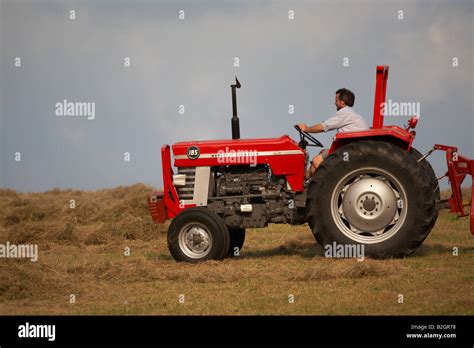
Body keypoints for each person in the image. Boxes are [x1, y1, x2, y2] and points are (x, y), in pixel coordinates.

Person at [298, 88, 369, 179]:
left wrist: (307, 129)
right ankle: (304, 182)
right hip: (351, 149)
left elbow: (323, 127)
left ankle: (317, 186)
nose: (334, 103)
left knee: (317, 161)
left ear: (342, 102)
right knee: (321, 154)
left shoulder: (345, 113)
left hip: (350, 151)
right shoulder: (352, 114)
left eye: (336, 100)